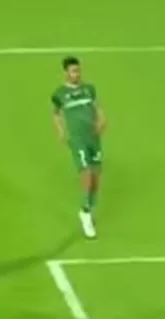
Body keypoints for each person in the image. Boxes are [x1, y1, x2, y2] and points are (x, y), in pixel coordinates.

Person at [52, 56, 106, 238]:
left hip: (93, 137)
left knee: (96, 178)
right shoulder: (60, 94)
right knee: (87, 173)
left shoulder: (89, 89)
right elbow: (56, 114)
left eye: (78, 70)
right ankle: (84, 212)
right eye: (73, 71)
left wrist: (102, 119)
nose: (77, 74)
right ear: (66, 72)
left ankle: (89, 209)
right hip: (77, 139)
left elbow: (97, 106)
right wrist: (61, 131)